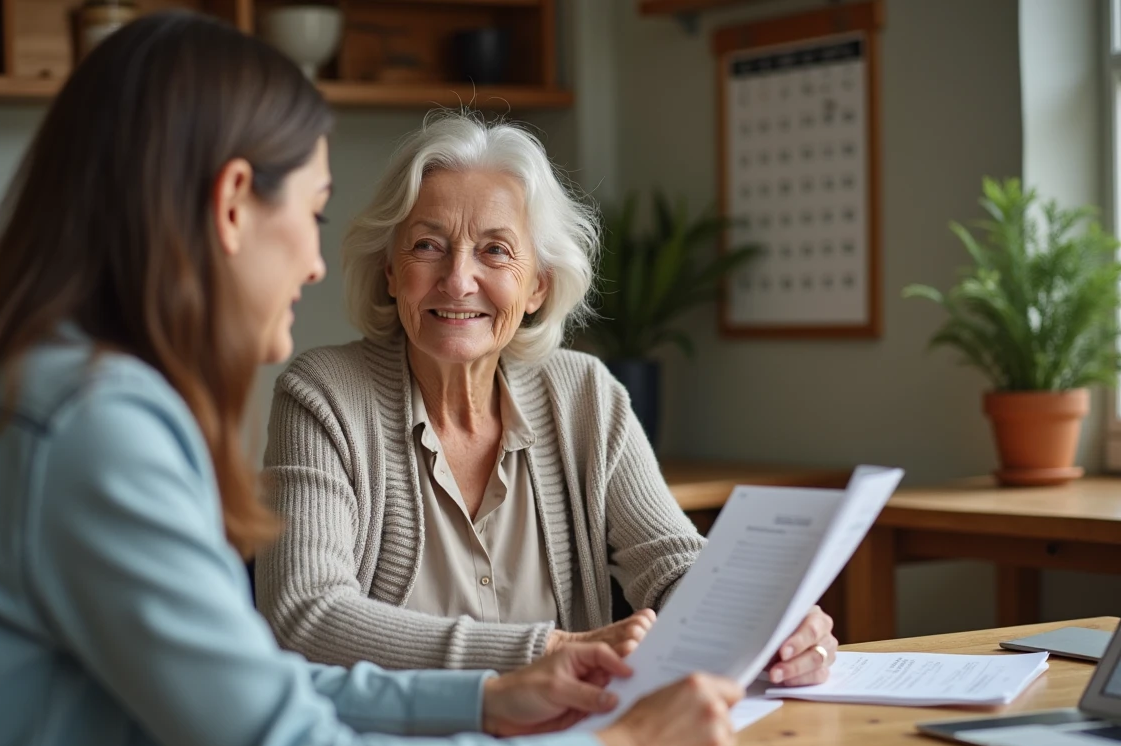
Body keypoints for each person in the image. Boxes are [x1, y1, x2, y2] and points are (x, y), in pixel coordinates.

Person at [0, 12, 745, 746]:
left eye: (493, 251)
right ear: (235, 202)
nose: (317, 264)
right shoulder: (97, 430)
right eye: (314, 212)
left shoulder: (59, 393)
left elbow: (261, 689)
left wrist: (484, 699)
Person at [256, 111, 839, 680]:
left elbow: (671, 564)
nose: (458, 279)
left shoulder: (586, 395)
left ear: (537, 285)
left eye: (495, 250)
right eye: (429, 246)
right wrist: (549, 650)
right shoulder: (323, 395)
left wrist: (764, 621)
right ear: (389, 271)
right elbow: (305, 615)